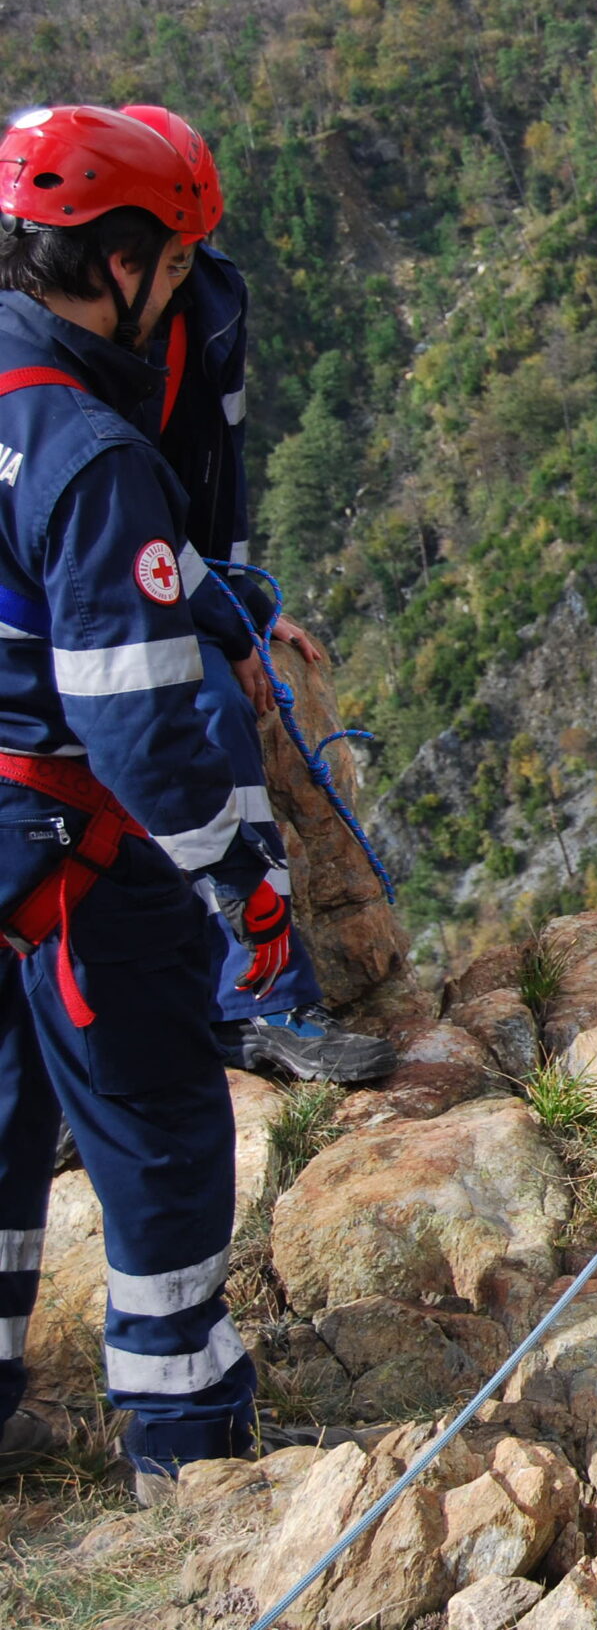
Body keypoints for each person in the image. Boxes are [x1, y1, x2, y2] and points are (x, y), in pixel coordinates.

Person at [0, 105, 291, 1486]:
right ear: (119, 264)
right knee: (162, 1130)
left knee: (3, 1127)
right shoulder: (94, 459)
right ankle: (189, 1450)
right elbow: (141, 735)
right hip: (78, 865)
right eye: (171, 263)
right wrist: (246, 889)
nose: (184, 287)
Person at [120, 104, 384, 1084]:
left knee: (221, 708)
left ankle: (262, 1001)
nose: (179, 268)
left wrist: (238, 604)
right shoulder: (54, 356)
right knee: (186, 721)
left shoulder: (206, 308)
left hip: (142, 576)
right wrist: (218, 613)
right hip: (75, 603)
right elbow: (110, 520)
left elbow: (207, 477)